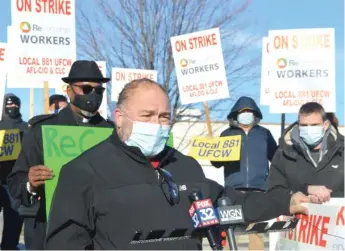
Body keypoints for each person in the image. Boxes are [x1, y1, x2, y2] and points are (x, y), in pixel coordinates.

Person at [45, 79, 317, 250]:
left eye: (164, 116)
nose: (157, 124)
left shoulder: (185, 166)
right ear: (119, 117)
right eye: (147, 115)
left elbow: (230, 204)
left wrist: (284, 202)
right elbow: (64, 244)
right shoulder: (83, 171)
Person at [7, 60, 114, 250]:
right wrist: (30, 183)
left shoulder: (112, 132)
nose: (93, 95)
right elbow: (16, 181)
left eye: (99, 91)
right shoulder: (43, 129)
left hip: (99, 232)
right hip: (49, 230)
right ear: (69, 90)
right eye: (86, 88)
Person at [211, 96, 277, 250]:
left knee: (257, 233)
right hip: (233, 190)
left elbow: (275, 158)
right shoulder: (227, 134)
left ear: (255, 114)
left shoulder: (264, 134)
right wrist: (214, 150)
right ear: (236, 114)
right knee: (231, 230)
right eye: (243, 111)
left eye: (249, 111)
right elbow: (216, 163)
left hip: (258, 189)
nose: (246, 114)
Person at [268, 102, 343, 201]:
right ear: (298, 125)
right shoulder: (283, 153)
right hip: (297, 215)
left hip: (337, 214)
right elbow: (274, 192)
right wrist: (306, 190)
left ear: (325, 125)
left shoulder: (342, 151)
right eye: (304, 125)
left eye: (314, 125)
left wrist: (330, 196)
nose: (309, 130)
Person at [0, 94, 28, 250]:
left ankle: (9, 246)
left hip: (15, 180)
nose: (12, 108)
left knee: (15, 218)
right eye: (9, 105)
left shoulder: (26, 128)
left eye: (15, 105)